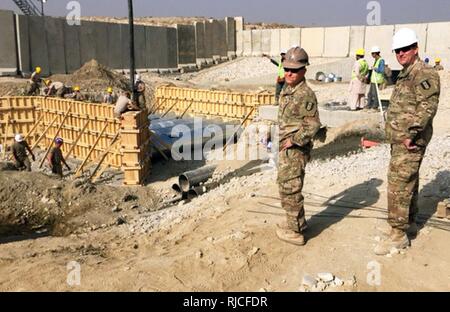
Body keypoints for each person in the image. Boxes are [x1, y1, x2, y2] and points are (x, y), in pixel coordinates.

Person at [375, 28, 440, 255]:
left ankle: (398, 234)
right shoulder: (406, 73)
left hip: (409, 141)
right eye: (397, 50)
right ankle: (409, 223)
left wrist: (410, 135)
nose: (400, 54)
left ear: (415, 49)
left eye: (405, 49)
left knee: (399, 185)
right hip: (401, 140)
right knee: (408, 180)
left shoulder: (424, 73)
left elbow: (427, 107)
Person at [276, 46, 322, 246]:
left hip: (295, 149)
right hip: (286, 146)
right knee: (288, 184)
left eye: (294, 70)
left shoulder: (305, 94)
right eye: (286, 69)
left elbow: (312, 125)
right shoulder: (288, 89)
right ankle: (297, 222)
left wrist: (293, 140)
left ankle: (295, 232)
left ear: (304, 70)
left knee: (290, 188)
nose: (289, 73)